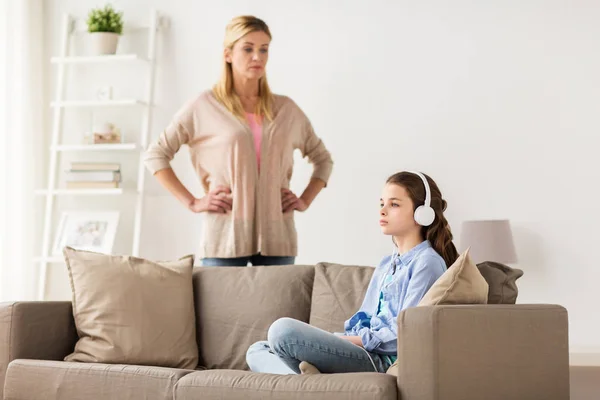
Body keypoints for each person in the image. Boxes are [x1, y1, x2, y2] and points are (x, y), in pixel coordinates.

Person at [144, 16, 333, 266]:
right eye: (248, 48)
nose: (258, 57)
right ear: (228, 54)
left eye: (264, 49)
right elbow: (156, 155)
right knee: (221, 307)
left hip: (278, 241)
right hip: (224, 240)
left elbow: (323, 160)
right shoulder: (204, 106)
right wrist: (193, 202)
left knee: (279, 307)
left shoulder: (286, 109)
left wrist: (305, 199)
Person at [246, 171, 458, 373]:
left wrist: (343, 342)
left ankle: (308, 383)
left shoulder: (427, 263)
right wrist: (337, 340)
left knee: (282, 331)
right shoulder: (387, 264)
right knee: (257, 349)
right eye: (382, 203)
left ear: (423, 213)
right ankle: (308, 382)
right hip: (359, 348)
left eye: (394, 204)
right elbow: (365, 316)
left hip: (379, 359)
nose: (383, 210)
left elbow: (405, 333)